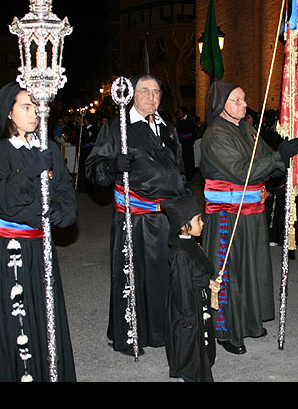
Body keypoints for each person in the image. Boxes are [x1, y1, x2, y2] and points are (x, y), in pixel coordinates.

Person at [85, 74, 191, 356]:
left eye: (157, 92)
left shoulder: (165, 125)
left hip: (168, 215)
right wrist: (112, 166)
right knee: (134, 277)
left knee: (165, 278)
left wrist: (186, 204)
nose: (152, 97)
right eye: (145, 91)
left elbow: (178, 168)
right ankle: (130, 334)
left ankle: (161, 330)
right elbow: (92, 170)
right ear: (132, 95)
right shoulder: (117, 127)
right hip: (137, 219)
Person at [0, 82, 77, 381]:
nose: (34, 113)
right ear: (9, 113)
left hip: (39, 246)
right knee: (16, 319)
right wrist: (29, 173)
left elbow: (64, 192)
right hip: (9, 247)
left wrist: (60, 212)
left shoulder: (45, 149)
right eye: (25, 107)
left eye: (36, 107)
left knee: (44, 315)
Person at [199, 80, 298, 355]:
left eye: (244, 99)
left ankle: (248, 320)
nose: (245, 104)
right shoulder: (215, 135)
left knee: (251, 269)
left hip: (251, 214)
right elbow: (243, 171)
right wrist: (278, 158)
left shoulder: (246, 128)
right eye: (237, 100)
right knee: (228, 273)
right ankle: (225, 330)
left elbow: (266, 162)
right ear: (222, 105)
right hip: (227, 217)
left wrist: (282, 156)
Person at [162, 195, 218, 382]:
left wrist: (207, 282)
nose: (202, 223)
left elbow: (194, 273)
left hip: (197, 296)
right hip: (186, 304)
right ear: (184, 224)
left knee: (201, 336)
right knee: (188, 339)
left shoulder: (189, 242)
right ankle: (187, 374)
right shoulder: (179, 252)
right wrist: (187, 316)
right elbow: (182, 284)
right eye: (198, 220)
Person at [176, 106, 199, 181]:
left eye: (180, 111)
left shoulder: (189, 121)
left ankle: (190, 175)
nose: (179, 113)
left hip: (188, 144)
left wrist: (189, 140)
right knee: (183, 159)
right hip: (181, 144)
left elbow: (193, 133)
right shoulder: (179, 120)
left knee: (189, 159)